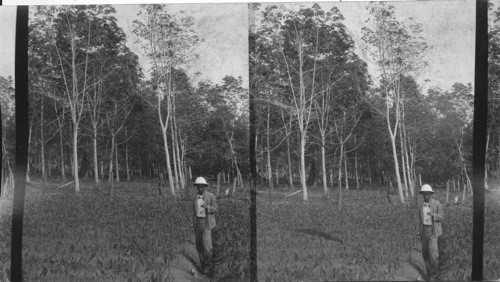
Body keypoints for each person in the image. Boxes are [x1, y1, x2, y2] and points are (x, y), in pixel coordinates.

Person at [417, 184, 444, 281]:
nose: (425, 196)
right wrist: (418, 233)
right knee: (425, 254)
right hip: (424, 231)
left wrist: (433, 215)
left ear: (431, 194)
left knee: (433, 255)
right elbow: (419, 220)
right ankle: (429, 273)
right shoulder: (420, 206)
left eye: (427, 194)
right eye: (424, 195)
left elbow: (442, 217)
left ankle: (435, 273)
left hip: (433, 231)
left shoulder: (437, 204)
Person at [192, 177, 218, 274]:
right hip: (197, 223)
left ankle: (207, 265)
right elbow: (194, 212)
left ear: (205, 187)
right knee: (199, 246)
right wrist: (193, 224)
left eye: (202, 187)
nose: (200, 189)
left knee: (207, 247)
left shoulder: (211, 197)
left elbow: (215, 208)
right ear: (196, 187)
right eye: (198, 187)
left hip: (207, 223)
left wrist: (207, 207)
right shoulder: (194, 198)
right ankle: (203, 264)